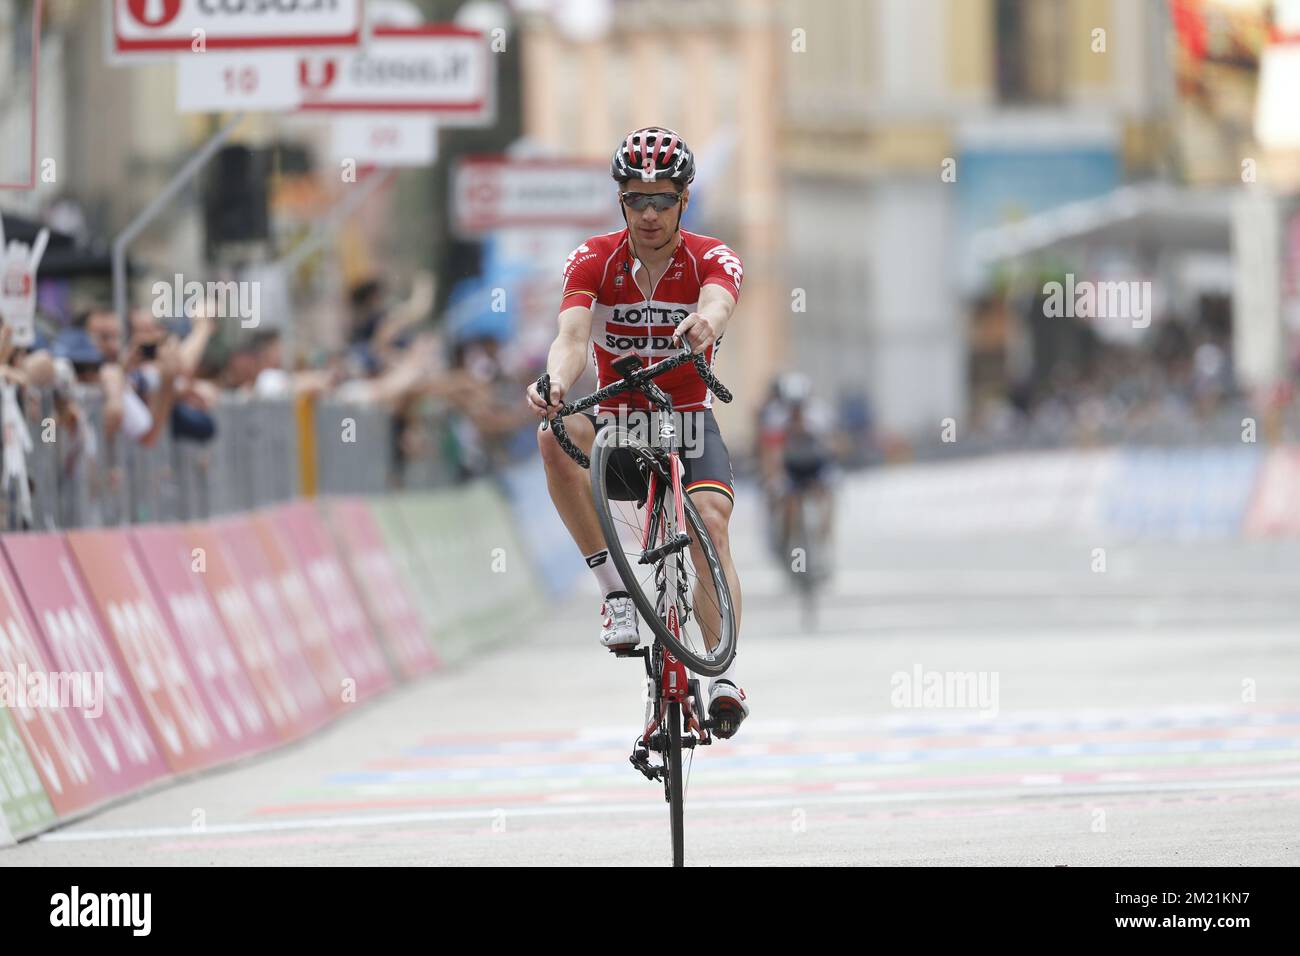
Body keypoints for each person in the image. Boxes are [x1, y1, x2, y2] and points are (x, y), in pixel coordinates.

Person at [524, 127, 750, 738]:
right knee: (552, 434)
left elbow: (719, 300)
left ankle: (721, 671)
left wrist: (704, 323)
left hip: (687, 420)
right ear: (620, 200)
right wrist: (552, 382)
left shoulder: (709, 255)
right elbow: (571, 339)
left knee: (711, 519)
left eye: (662, 199)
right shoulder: (594, 258)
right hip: (618, 422)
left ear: (684, 199)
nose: (649, 212)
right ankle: (615, 593)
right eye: (636, 199)